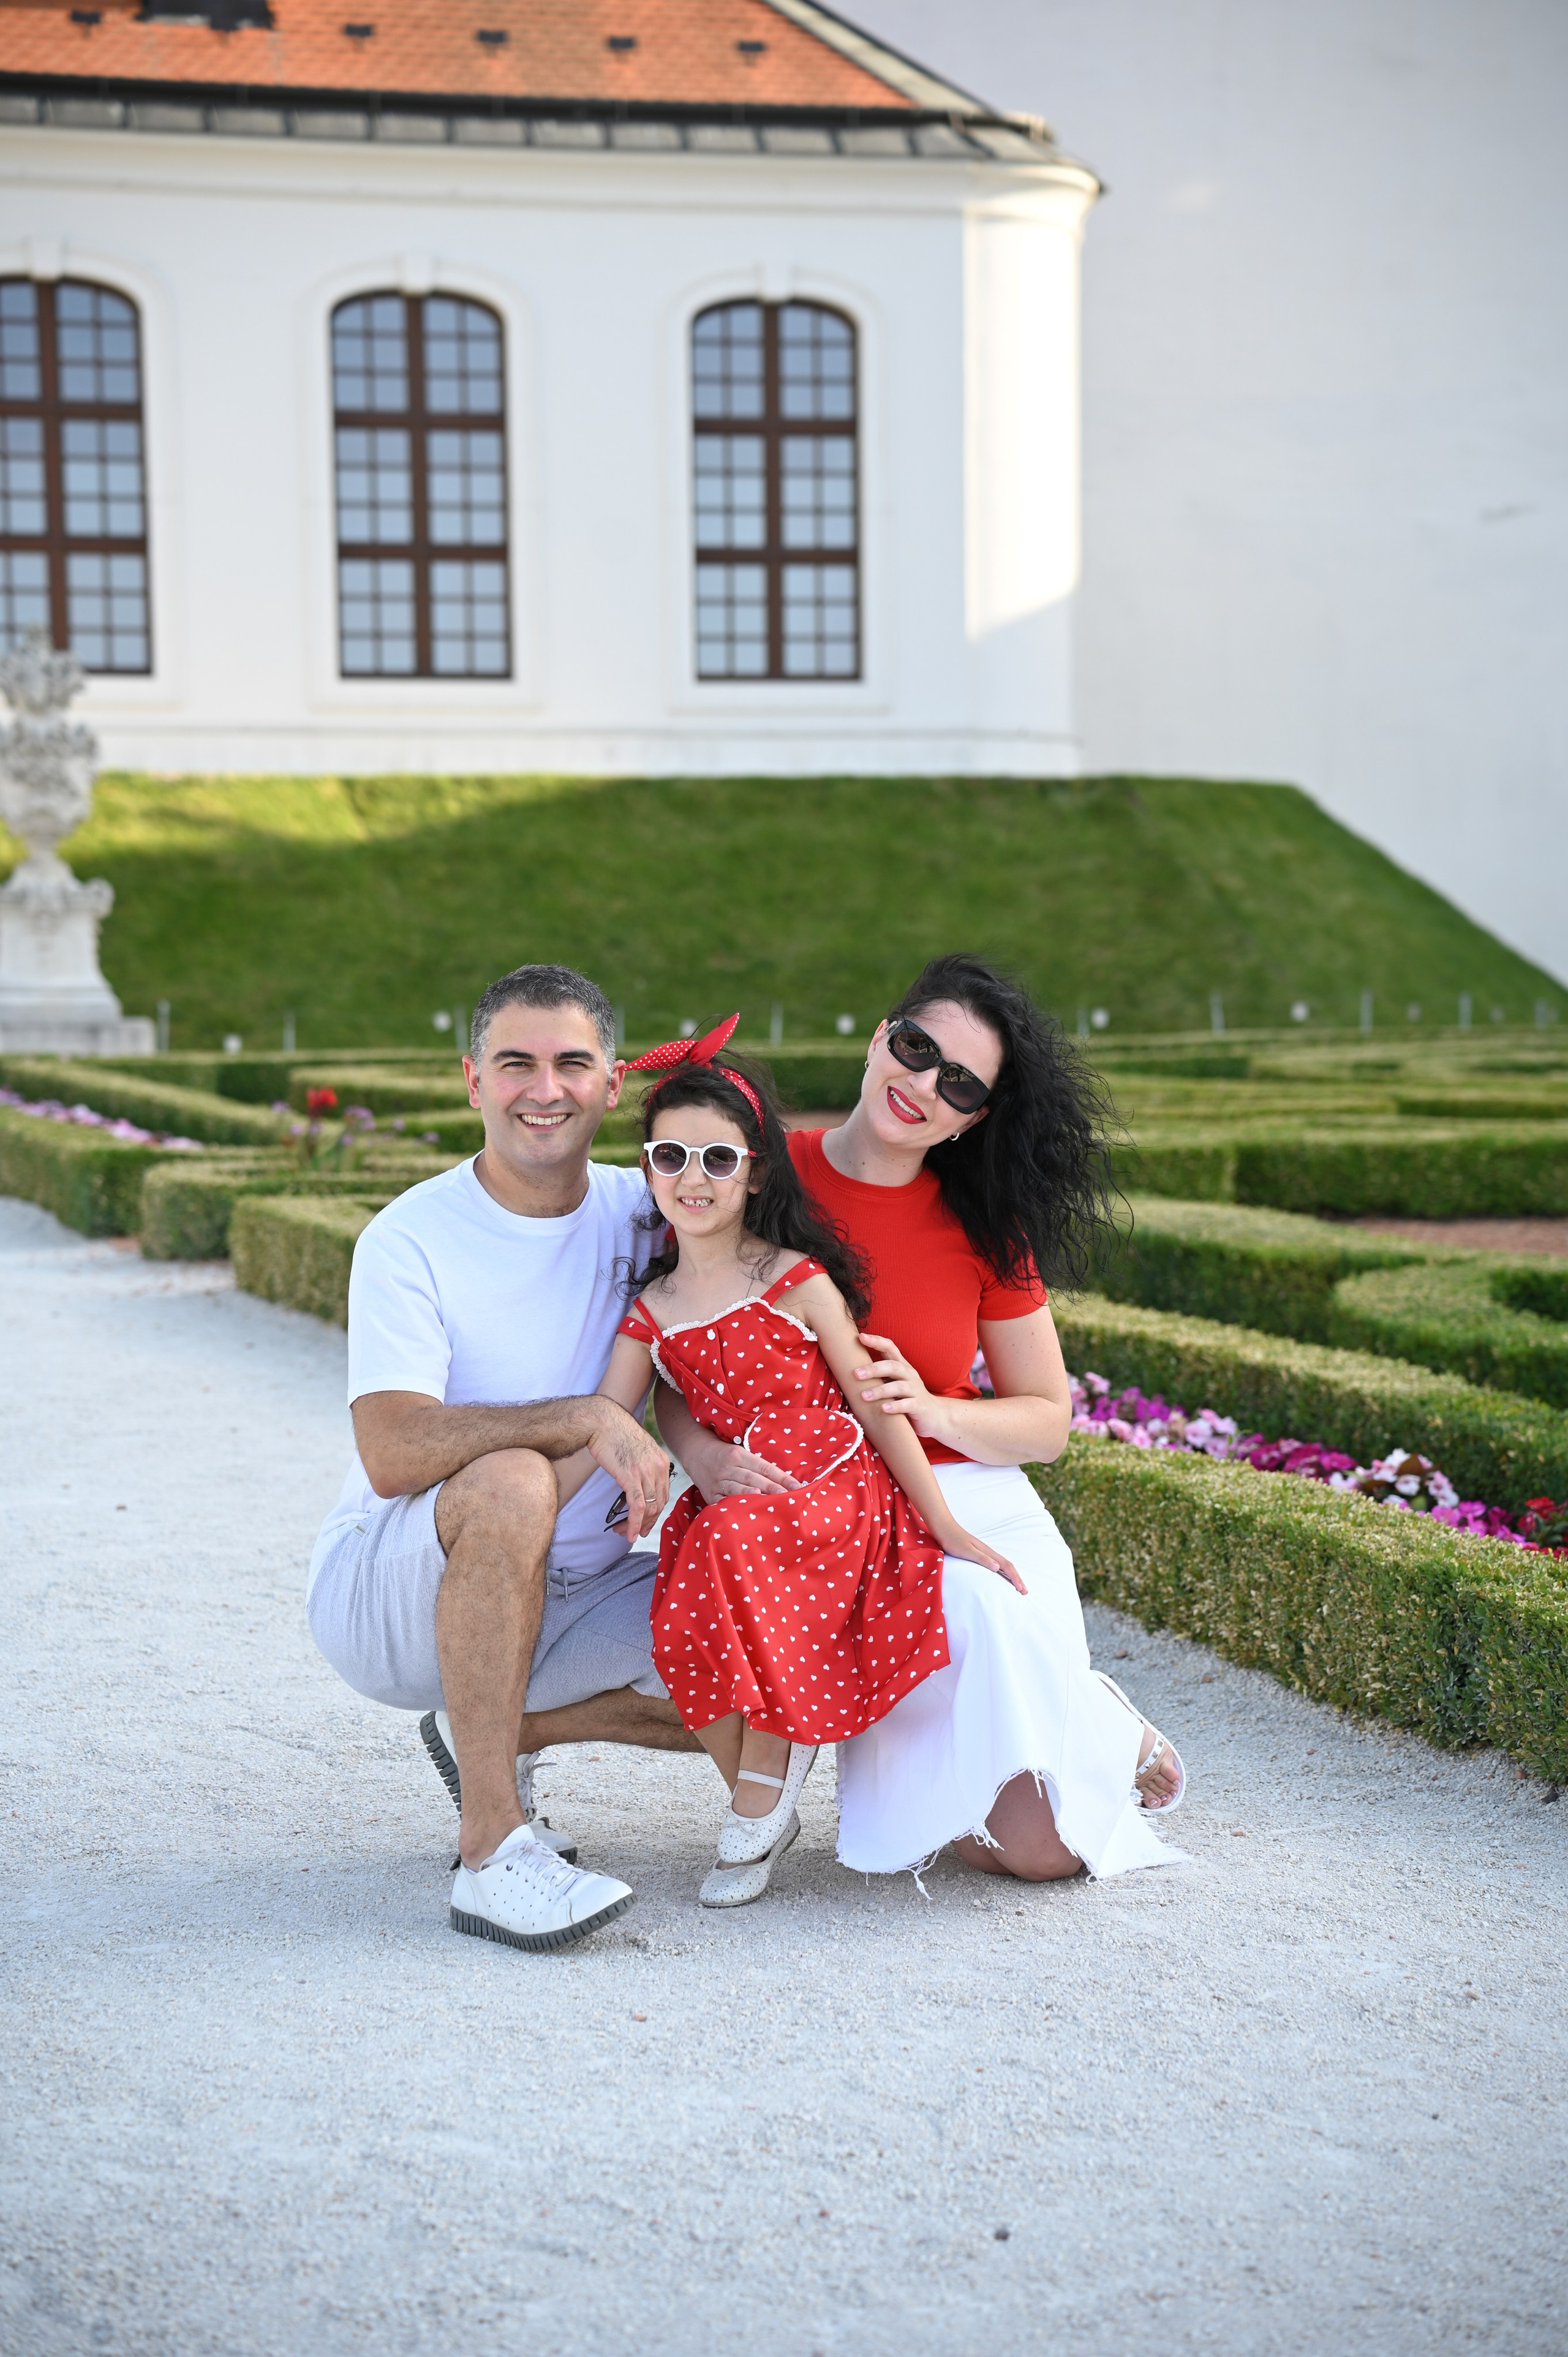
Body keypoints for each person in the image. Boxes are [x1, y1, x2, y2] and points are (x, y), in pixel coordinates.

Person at [657, 954, 1187, 1884]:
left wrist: (930, 1404)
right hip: (827, 1513)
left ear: (974, 1116)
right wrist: (698, 1453)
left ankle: (1093, 1713)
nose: (924, 1085)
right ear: (878, 1038)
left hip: (968, 1497)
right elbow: (675, 1335)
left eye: (960, 1083)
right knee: (994, 1835)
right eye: (915, 1048)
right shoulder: (758, 1172)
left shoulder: (985, 1225)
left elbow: (1047, 1422)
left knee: (1046, 1856)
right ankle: (1003, 1747)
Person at [581, 1017, 1021, 1907]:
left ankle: (761, 1790)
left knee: (732, 1543)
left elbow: (874, 1402)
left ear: (755, 1170)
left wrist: (942, 1523)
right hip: (739, 1493)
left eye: (717, 1159)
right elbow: (609, 1412)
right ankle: (766, 1787)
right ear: (647, 1169)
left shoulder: (795, 1278)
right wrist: (671, 1459)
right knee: (681, 1604)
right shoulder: (652, 1310)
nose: (693, 1180)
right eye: (671, 1158)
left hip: (835, 1487)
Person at [306, 962, 696, 1956]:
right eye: (515, 1062)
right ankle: (492, 1851)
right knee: (517, 1476)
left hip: (582, 1588)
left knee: (785, 1648)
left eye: (573, 1062)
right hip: (396, 1583)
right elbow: (393, 1451)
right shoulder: (411, 1238)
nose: (545, 1088)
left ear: (615, 1084)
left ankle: (500, 1727)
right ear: (472, 1080)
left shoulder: (655, 1214)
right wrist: (582, 1418)